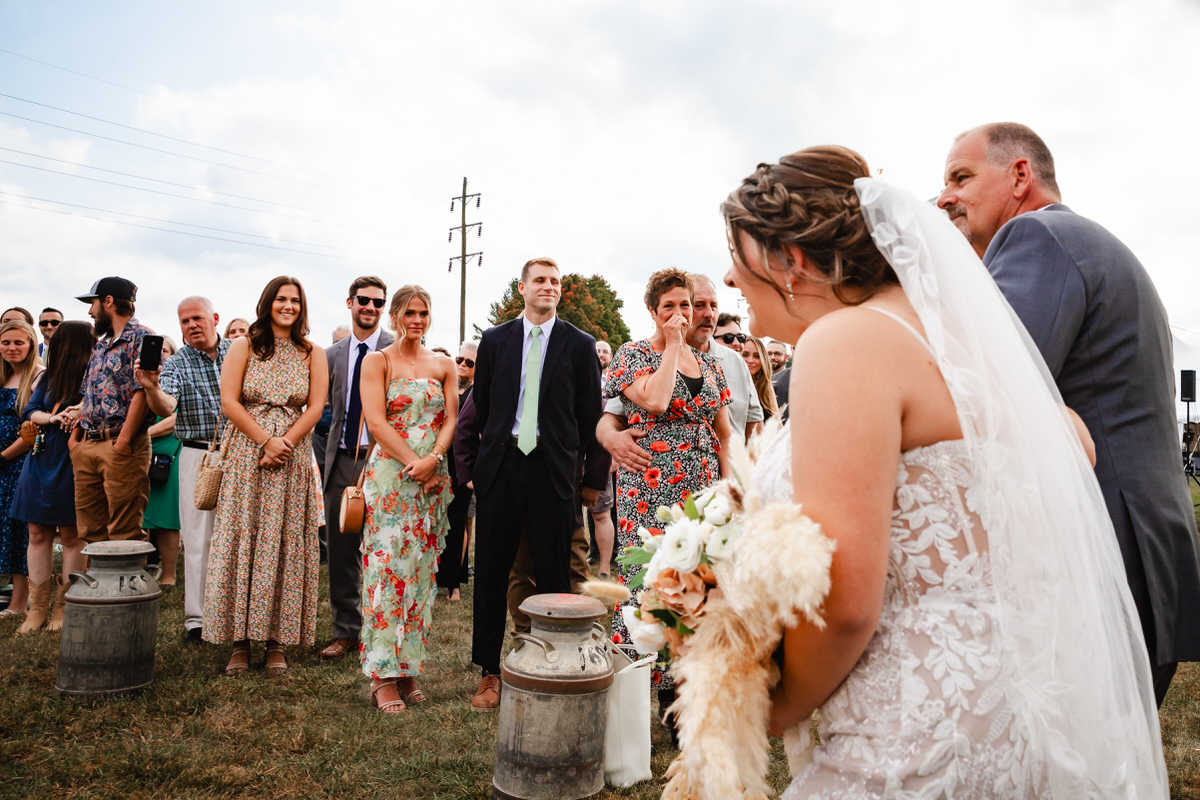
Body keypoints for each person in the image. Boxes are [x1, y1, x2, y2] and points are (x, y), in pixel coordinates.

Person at [721, 145, 1165, 796]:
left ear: (789, 262)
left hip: (914, 730)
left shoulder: (844, 343)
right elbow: (1079, 444)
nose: (730, 281)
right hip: (1019, 714)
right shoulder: (961, 342)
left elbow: (846, 605)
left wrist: (763, 706)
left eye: (737, 255)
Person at [937, 123, 1200, 708]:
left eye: (961, 177)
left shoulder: (1036, 235)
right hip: (1143, 534)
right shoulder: (1086, 240)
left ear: (1020, 176)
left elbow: (989, 392)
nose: (944, 196)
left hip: (1104, 541)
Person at [465, 257, 602, 711]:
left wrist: (586, 477)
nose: (549, 287)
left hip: (553, 469)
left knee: (554, 573)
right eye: (540, 280)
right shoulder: (496, 340)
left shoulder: (578, 344)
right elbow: (482, 405)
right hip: (503, 465)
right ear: (522, 287)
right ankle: (489, 672)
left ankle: (554, 660)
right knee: (490, 572)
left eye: (555, 281)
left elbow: (591, 416)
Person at [606, 268, 732, 694]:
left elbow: (726, 434)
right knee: (647, 582)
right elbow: (657, 401)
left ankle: (680, 698)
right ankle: (632, 692)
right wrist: (673, 347)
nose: (680, 314)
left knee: (694, 585)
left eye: (686, 305)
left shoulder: (712, 364)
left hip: (702, 487)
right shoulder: (633, 354)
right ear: (652, 311)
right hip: (650, 487)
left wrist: (728, 492)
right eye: (669, 307)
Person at [203, 276, 327, 676]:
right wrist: (263, 441)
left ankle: (277, 641)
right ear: (267, 302)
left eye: (294, 300)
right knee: (245, 536)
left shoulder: (313, 352)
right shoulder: (244, 346)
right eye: (281, 299)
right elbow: (229, 400)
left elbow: (316, 406)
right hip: (247, 453)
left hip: (292, 456)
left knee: (286, 542)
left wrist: (284, 442)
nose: (287, 306)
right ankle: (240, 640)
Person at [357, 285, 457, 713]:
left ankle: (409, 665)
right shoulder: (377, 361)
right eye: (409, 313)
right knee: (386, 571)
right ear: (395, 315)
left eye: (424, 313)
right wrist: (414, 461)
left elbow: (452, 417)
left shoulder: (444, 363)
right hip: (392, 478)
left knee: (419, 574)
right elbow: (376, 423)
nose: (417, 320)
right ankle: (382, 675)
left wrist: (434, 460)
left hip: (432, 481)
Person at [135, 296, 232, 641]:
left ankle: (238, 615)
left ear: (214, 318)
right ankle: (198, 619)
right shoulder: (175, 364)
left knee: (239, 536)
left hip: (241, 452)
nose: (191, 325)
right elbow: (168, 404)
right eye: (184, 321)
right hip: (197, 453)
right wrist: (151, 387)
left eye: (196, 318)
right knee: (197, 538)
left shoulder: (239, 350)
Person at [319, 276, 393, 662]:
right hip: (343, 459)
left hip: (384, 463)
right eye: (363, 300)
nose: (370, 307)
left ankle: (382, 631)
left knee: (383, 551)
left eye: (378, 303)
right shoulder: (332, 355)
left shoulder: (397, 349)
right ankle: (346, 630)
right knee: (342, 552)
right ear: (350, 302)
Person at [11, 321, 94, 632]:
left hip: (74, 458)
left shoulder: (95, 377)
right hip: (41, 456)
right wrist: (53, 416)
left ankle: (64, 606)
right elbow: (29, 409)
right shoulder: (49, 377)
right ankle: (37, 610)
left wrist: (81, 410)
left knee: (73, 536)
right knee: (37, 533)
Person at [69, 277, 153, 544]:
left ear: (108, 302)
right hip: (88, 444)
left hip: (121, 443)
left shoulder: (144, 337)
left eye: (92, 303)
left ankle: (124, 585)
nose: (90, 311)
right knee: (90, 530)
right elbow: (88, 394)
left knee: (124, 530)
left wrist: (125, 440)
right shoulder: (100, 344)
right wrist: (76, 439)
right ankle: (98, 585)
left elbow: (143, 390)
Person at [0, 321, 42, 620]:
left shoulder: (38, 376)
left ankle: (18, 603)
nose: (12, 348)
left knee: (18, 532)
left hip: (18, 463)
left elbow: (34, 428)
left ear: (31, 345)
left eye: (18, 342)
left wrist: (4, 457)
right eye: (5, 343)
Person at [439, 340, 477, 602]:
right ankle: (433, 577)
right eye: (459, 360)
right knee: (436, 522)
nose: (462, 365)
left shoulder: (479, 393)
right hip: (438, 460)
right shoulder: (445, 386)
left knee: (457, 522)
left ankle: (454, 582)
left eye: (469, 362)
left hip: (462, 464)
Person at [141, 337, 180, 588]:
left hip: (167, 449)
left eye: (164, 350)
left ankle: (169, 574)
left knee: (166, 516)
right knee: (138, 515)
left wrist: (144, 435)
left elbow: (175, 418)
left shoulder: (175, 379)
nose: (160, 355)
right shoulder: (139, 378)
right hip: (135, 449)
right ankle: (140, 569)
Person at [741, 335, 778, 421]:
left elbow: (777, 423)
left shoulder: (766, 388)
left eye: (756, 356)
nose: (750, 360)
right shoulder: (728, 387)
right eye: (745, 355)